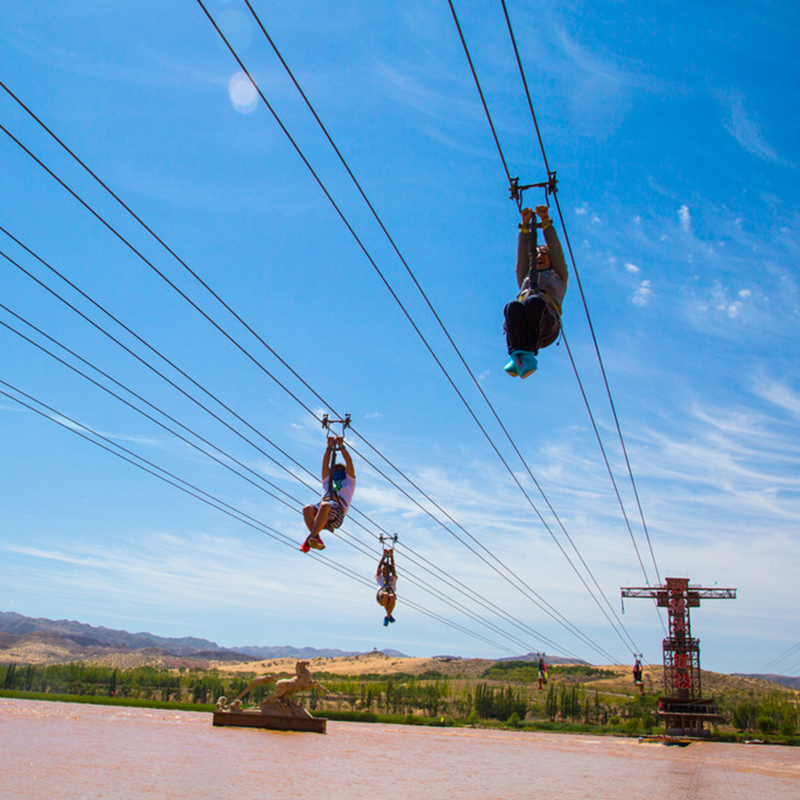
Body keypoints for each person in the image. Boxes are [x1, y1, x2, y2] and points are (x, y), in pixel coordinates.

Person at [503, 205, 568, 378]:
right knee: (512, 306)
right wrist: (524, 226)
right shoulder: (525, 278)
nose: (539, 257)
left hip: (546, 326)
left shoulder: (558, 277)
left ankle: (528, 358)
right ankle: (516, 357)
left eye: (543, 254)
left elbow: (557, 252)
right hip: (525, 329)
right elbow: (522, 258)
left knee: (534, 301)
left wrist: (545, 221)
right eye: (536, 254)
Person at [300, 436, 355, 552]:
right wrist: (329, 447)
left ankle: (309, 539)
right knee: (307, 509)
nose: (338, 471)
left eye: (341, 469)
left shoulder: (349, 482)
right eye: (336, 469)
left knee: (325, 505)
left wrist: (341, 447)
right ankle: (315, 537)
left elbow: (349, 462)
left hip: (337, 512)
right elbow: (325, 464)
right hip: (322, 511)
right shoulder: (328, 481)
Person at [375, 547, 397, 626]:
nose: (384, 572)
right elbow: (378, 569)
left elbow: (394, 569)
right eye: (383, 570)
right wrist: (384, 557)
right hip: (381, 596)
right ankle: (389, 615)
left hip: (390, 596)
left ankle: (388, 616)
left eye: (386, 570)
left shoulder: (392, 578)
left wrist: (392, 557)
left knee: (392, 596)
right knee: (386, 594)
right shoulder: (380, 578)